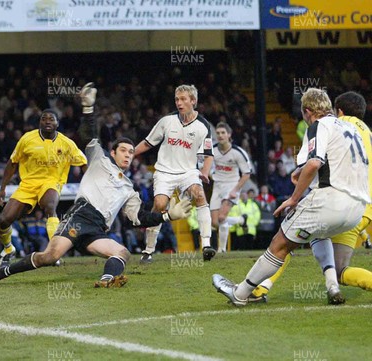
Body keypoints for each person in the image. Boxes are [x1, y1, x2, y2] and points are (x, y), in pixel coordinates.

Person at [0, 83, 192, 287]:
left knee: (122, 253)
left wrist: (168, 215)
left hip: (96, 229)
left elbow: (139, 219)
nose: (128, 155)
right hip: (79, 218)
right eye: (124, 151)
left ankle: (107, 280)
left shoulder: (129, 190)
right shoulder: (100, 159)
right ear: (113, 152)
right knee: (49, 257)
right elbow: (89, 134)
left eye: (131, 152)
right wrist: (88, 108)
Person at [213, 88, 369, 306]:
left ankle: (240, 293)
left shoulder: (318, 125)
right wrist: (303, 170)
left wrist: (294, 198)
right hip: (358, 208)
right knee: (318, 232)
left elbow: (315, 162)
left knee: (280, 242)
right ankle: (332, 285)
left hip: (332, 199)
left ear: (307, 111)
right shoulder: (350, 128)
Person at [133, 84, 215, 262]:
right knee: (160, 204)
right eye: (177, 99)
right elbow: (148, 142)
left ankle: (206, 245)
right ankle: (148, 250)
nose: (179, 102)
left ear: (193, 101)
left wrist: (205, 172)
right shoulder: (166, 121)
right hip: (164, 171)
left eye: (184, 99)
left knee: (200, 195)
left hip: (188, 172)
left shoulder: (203, 126)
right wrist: (131, 153)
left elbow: (208, 154)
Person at [0, 106, 87, 265]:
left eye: (51, 119)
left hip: (52, 182)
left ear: (57, 123)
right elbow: (12, 162)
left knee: (50, 206)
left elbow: (84, 163)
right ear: (39, 122)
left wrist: (90, 185)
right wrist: (2, 188)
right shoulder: (27, 139)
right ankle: (9, 249)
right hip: (28, 184)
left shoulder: (67, 143)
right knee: (4, 219)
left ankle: (54, 252)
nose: (47, 121)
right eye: (44, 118)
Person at [210, 122, 252, 254]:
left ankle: (221, 250)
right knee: (215, 222)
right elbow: (203, 165)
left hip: (231, 186)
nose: (220, 136)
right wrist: (211, 175)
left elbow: (247, 173)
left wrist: (235, 190)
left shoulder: (238, 152)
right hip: (217, 186)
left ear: (229, 134)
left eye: (223, 133)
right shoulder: (212, 150)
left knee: (222, 218)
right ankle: (240, 220)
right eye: (218, 133)